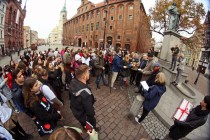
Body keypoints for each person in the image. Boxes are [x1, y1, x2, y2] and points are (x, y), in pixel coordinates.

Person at [69, 65, 98, 130]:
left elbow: (70, 97)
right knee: (91, 124)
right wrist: (92, 113)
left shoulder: (72, 81)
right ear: (84, 76)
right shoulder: (85, 93)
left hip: (77, 111)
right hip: (84, 114)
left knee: (83, 123)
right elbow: (90, 112)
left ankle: (85, 127)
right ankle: (93, 130)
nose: (89, 73)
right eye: (88, 72)